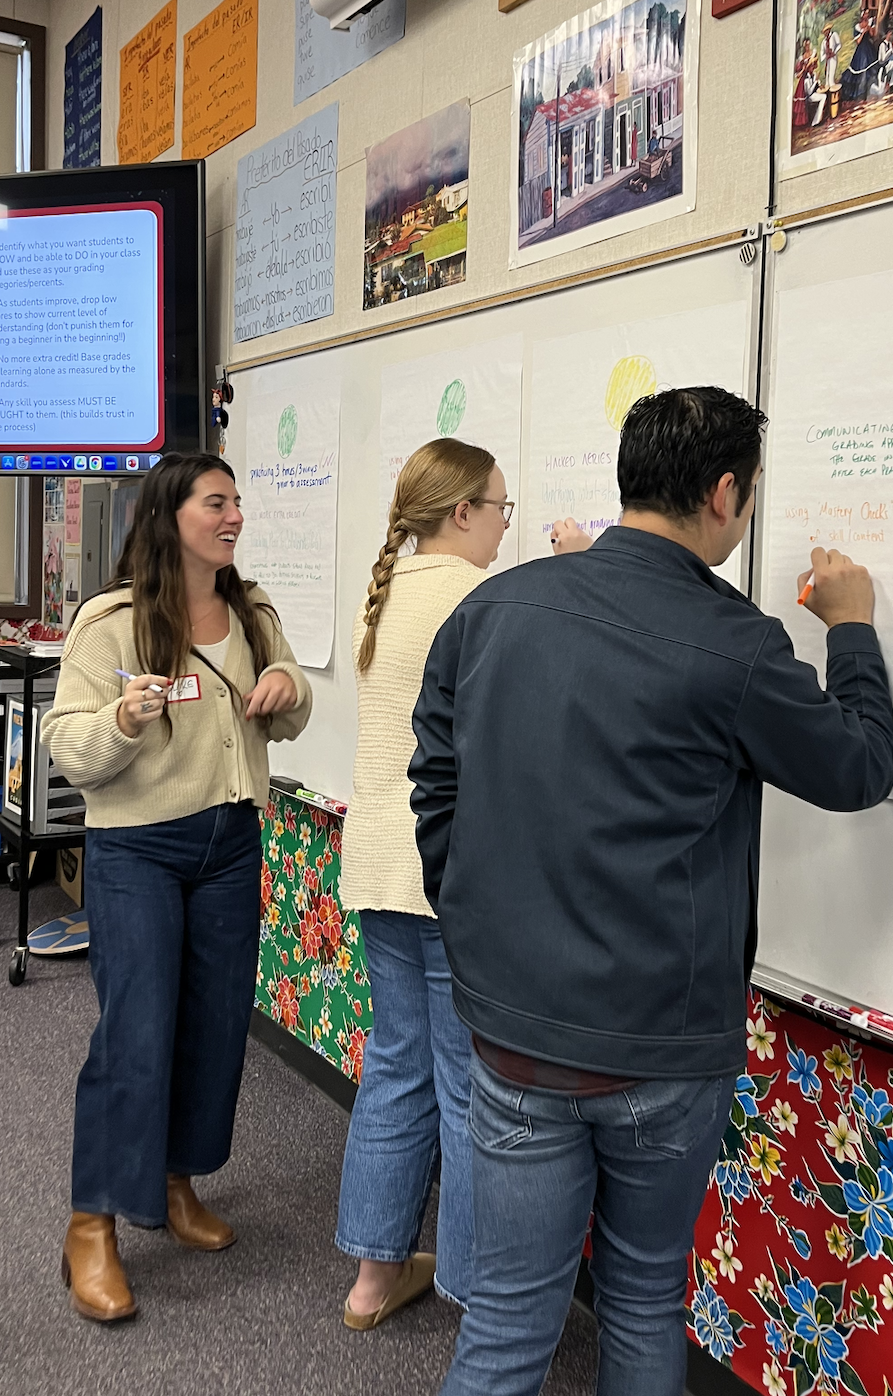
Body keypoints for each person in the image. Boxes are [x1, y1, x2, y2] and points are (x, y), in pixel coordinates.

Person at [410, 387, 893, 1396]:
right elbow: (854, 769)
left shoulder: (493, 605)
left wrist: (466, 913)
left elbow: (436, 775)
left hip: (509, 1031)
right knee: (638, 1300)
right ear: (723, 491)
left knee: (504, 1324)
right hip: (661, 1050)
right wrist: (850, 629)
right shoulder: (735, 643)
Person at [42, 453, 313, 1322]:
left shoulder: (252, 609)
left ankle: (175, 1186)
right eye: (216, 503)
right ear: (171, 514)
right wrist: (122, 721)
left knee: (214, 1025)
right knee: (138, 1031)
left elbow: (296, 705)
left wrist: (284, 686)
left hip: (231, 841)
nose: (235, 517)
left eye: (238, 502)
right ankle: (93, 1226)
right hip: (138, 848)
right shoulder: (111, 621)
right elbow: (68, 747)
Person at [334, 439, 512, 1330]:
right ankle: (475, 1295)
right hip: (448, 879)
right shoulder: (481, 597)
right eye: (501, 513)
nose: (504, 533)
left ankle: (372, 1279)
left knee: (397, 1068)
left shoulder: (385, 592)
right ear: (463, 513)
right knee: (467, 1083)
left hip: (374, 865)